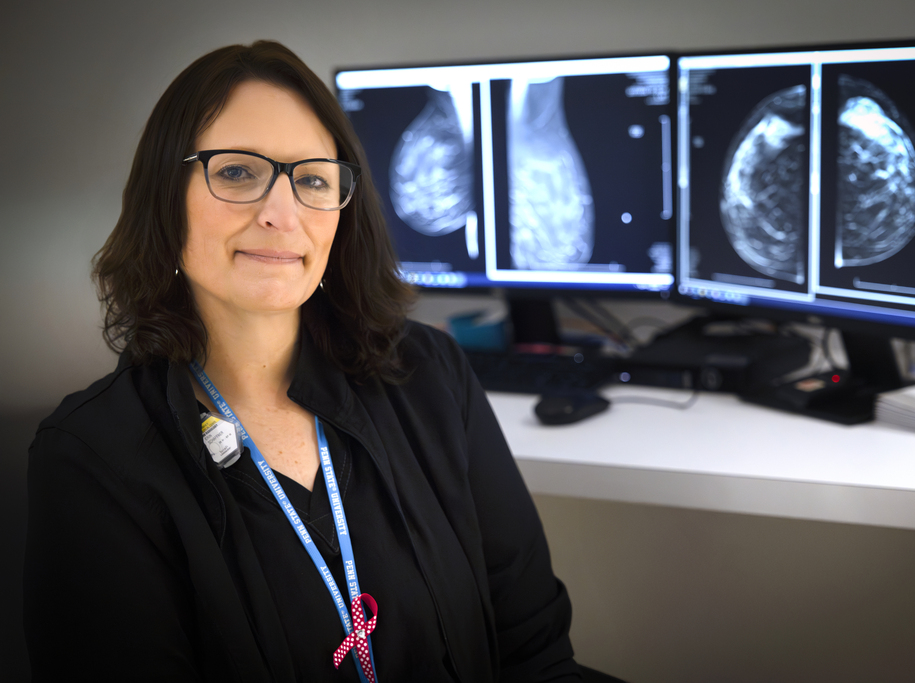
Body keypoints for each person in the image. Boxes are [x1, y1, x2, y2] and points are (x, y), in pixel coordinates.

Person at [24, 41, 583, 682]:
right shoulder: (92, 461)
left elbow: (536, 654)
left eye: (313, 179)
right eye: (236, 172)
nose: (281, 214)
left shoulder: (430, 374)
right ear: (163, 197)